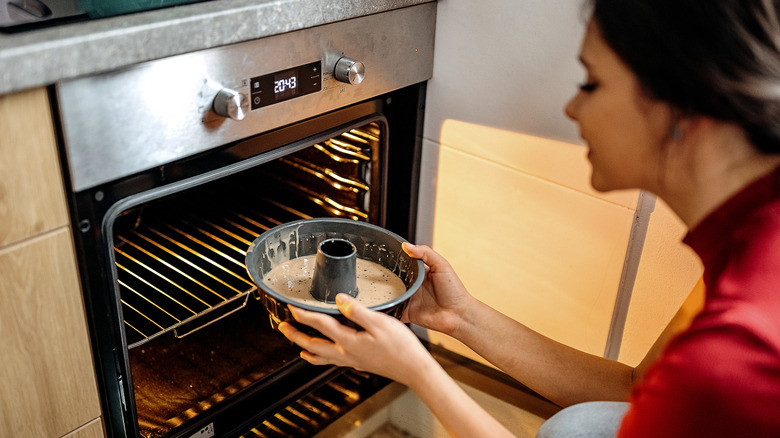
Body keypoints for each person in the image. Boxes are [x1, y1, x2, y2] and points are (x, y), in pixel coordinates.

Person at [278, 0, 780, 436]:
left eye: (592, 83)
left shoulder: (733, 352)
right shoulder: (753, 239)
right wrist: (460, 317)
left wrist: (418, 371)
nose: (572, 108)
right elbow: (635, 391)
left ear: (685, 107)